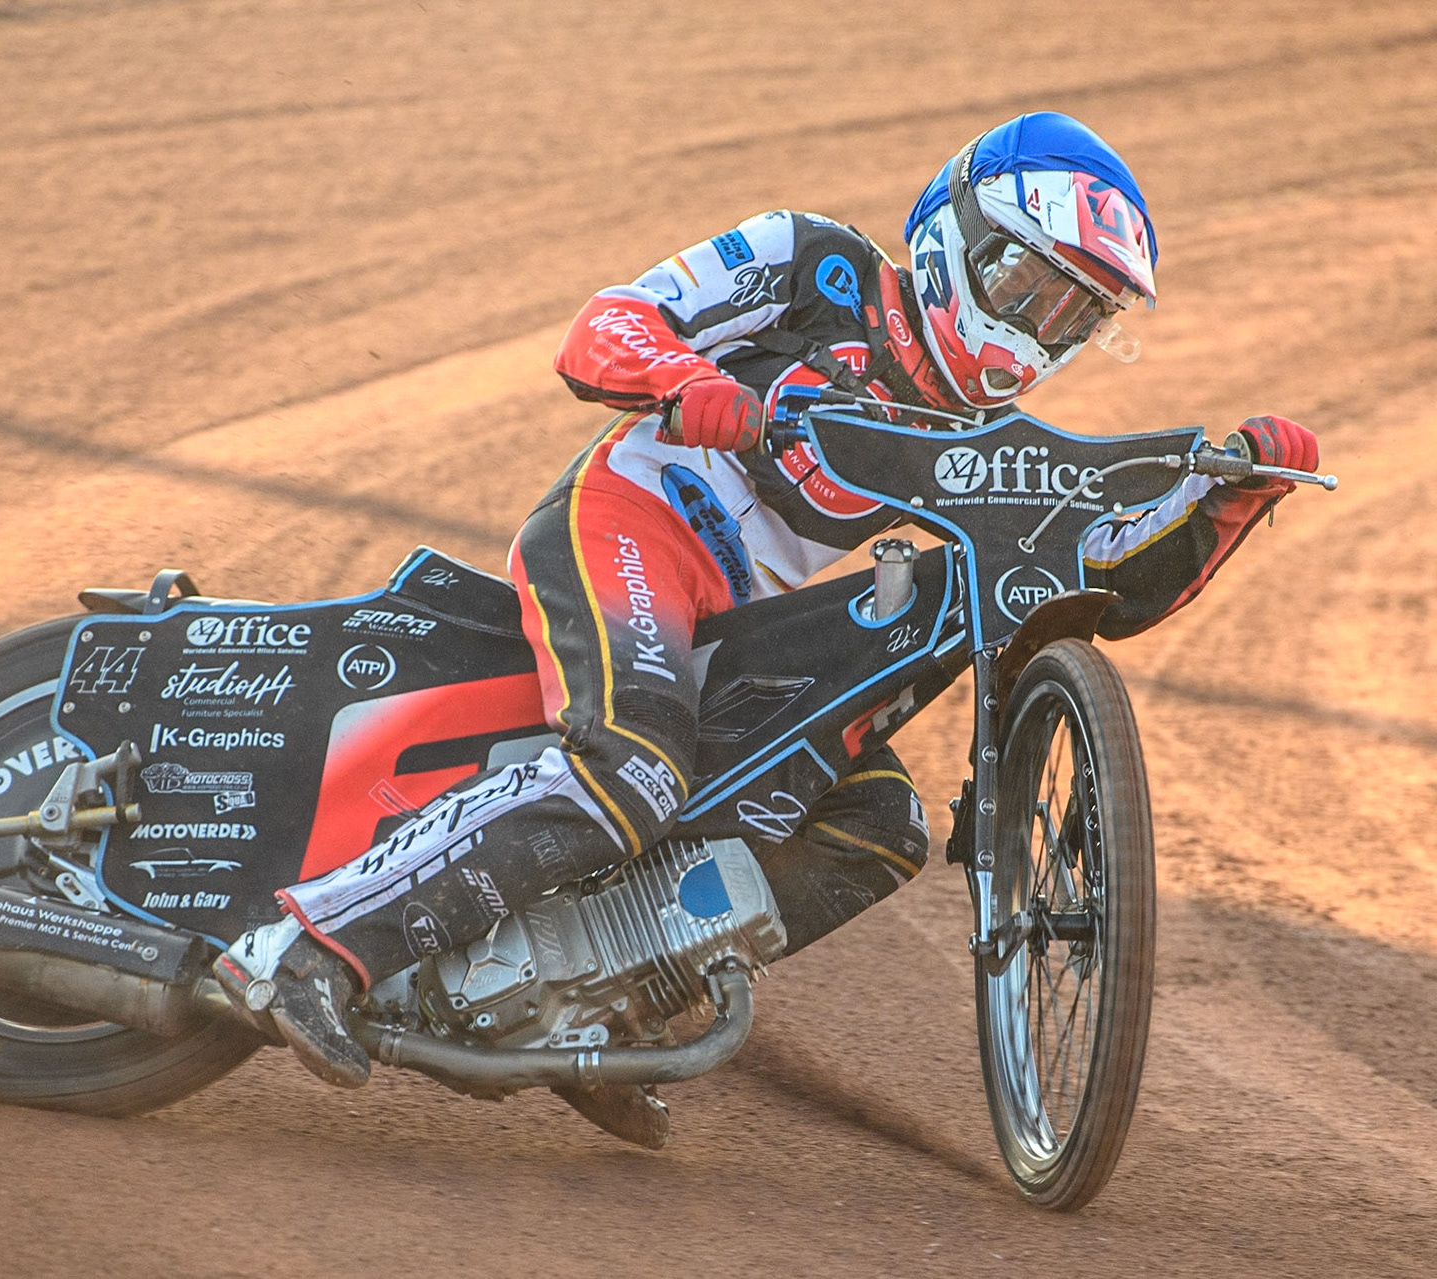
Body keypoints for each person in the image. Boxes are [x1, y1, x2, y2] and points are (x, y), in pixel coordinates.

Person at [213, 112, 1318, 1141]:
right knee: (633, 766)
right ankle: (305, 946)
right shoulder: (809, 261)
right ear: (958, 238)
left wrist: (1225, 500)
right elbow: (604, 326)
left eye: (1077, 315)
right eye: (1032, 284)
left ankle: (596, 1007)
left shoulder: (993, 435)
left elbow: (1095, 585)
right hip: (632, 521)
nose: (1041, 330)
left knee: (880, 821)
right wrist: (692, 382)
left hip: (740, 617)